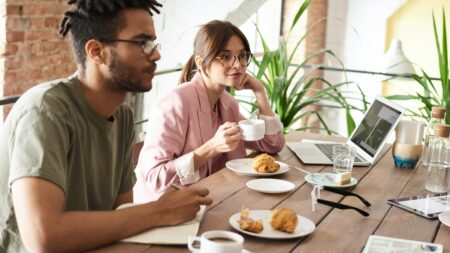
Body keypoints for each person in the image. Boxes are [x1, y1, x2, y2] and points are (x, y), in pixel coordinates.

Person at [0, 1, 212, 252]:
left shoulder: (122, 116)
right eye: (142, 43)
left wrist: (159, 213)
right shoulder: (46, 111)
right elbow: (43, 236)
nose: (156, 55)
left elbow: (120, 214)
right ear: (96, 51)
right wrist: (159, 210)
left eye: (153, 43)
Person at [134, 20, 286, 203]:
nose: (238, 64)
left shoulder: (228, 104)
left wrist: (260, 92)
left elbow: (273, 145)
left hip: (212, 201)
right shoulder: (175, 102)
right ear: (201, 62)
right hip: (163, 212)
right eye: (226, 56)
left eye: (242, 55)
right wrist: (211, 147)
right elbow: (155, 179)